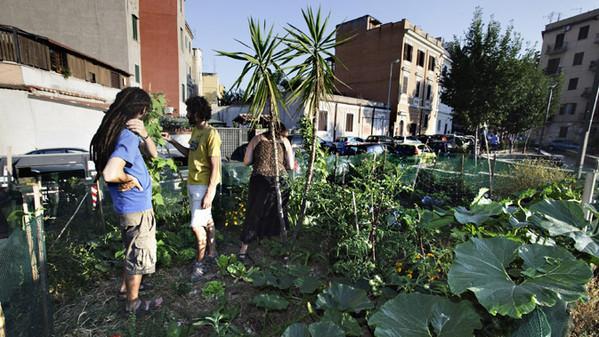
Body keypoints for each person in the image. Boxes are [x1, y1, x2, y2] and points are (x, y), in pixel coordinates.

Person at [90, 87, 162, 314]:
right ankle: (133, 304)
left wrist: (146, 134)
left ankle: (124, 291)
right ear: (141, 110)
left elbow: (154, 154)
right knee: (138, 256)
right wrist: (128, 177)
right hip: (136, 208)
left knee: (131, 250)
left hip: (125, 206)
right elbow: (111, 173)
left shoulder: (116, 132)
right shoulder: (127, 136)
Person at [162, 96, 221, 281]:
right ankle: (212, 253)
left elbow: (215, 166)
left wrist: (210, 192)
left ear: (197, 113)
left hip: (203, 185)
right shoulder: (196, 131)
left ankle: (200, 263)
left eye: (189, 111)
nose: (186, 114)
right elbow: (190, 154)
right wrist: (172, 141)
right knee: (207, 220)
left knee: (197, 226)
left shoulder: (212, 134)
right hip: (193, 183)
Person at [238, 122, 295, 260]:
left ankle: (243, 251)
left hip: (259, 180)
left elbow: (246, 161)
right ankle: (284, 250)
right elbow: (291, 165)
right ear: (281, 131)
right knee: (280, 212)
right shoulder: (285, 141)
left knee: (254, 213)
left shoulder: (257, 139)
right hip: (279, 180)